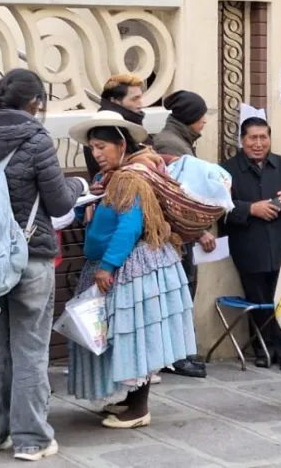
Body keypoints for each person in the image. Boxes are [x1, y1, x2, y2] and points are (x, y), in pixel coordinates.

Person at [0, 69, 86, 461]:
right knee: (29, 349)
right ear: (34, 103)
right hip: (30, 255)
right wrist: (78, 187)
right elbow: (60, 203)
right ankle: (31, 440)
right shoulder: (35, 137)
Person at [65, 112, 196, 429]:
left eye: (101, 147)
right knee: (129, 334)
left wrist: (107, 266)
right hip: (135, 265)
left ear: (121, 144)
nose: (96, 154)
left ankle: (139, 409)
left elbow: (130, 225)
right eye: (93, 147)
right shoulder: (121, 176)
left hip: (131, 268)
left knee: (136, 334)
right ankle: (129, 399)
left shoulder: (130, 178)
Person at [221, 117, 281, 370]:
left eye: (263, 138)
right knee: (258, 298)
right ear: (242, 140)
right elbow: (218, 206)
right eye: (253, 138)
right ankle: (263, 348)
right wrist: (251, 209)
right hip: (250, 245)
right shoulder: (227, 170)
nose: (258, 144)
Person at [151, 89, 211, 379]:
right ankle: (177, 356)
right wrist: (199, 232)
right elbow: (176, 198)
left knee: (184, 290)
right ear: (189, 119)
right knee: (180, 292)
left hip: (181, 235)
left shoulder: (179, 140)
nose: (204, 123)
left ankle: (179, 353)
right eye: (201, 118)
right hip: (178, 236)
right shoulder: (170, 145)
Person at [84, 73, 150, 179]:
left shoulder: (134, 124)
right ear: (114, 101)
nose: (140, 104)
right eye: (134, 99)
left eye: (140, 98)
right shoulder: (98, 130)